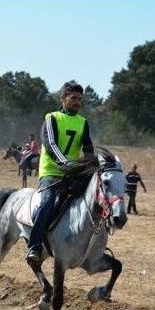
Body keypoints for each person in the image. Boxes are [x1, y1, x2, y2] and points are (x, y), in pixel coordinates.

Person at [26, 81, 95, 263]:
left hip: (73, 173)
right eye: (73, 98)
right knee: (48, 202)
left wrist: (92, 167)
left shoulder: (83, 122)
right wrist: (64, 163)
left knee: (96, 196)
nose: (77, 102)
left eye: (80, 99)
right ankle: (34, 246)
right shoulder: (52, 118)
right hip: (52, 172)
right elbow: (50, 145)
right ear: (63, 98)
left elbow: (88, 149)